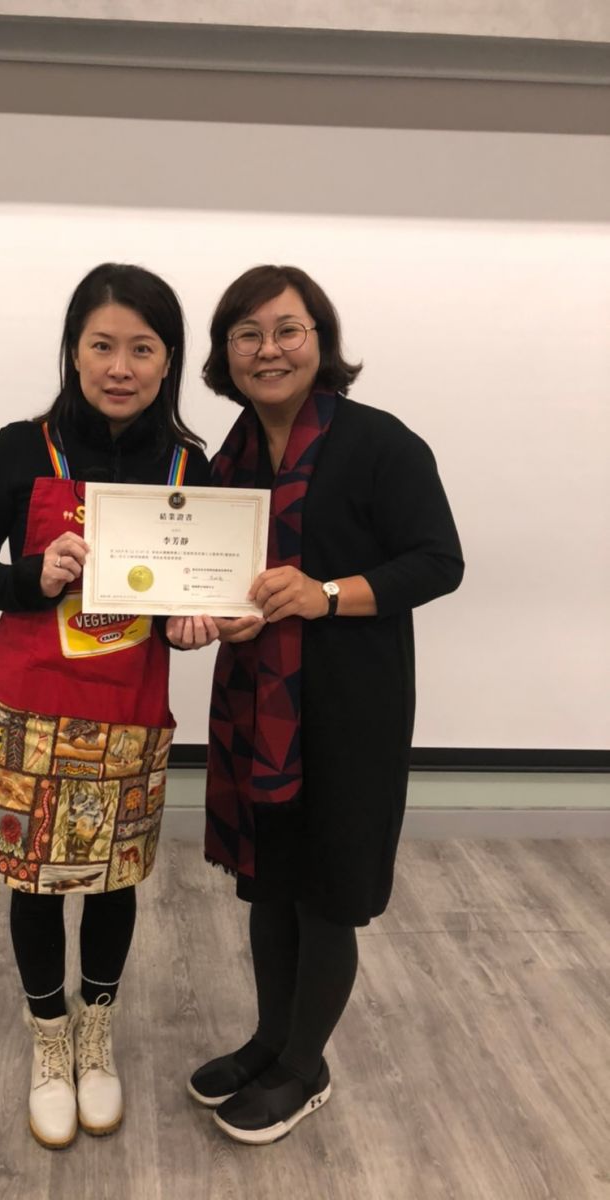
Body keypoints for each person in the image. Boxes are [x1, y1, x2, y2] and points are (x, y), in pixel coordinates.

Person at [185, 264, 464, 1145]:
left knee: (326, 894)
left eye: (287, 330)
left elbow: (438, 561)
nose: (268, 350)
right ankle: (270, 1042)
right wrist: (211, 616)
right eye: (247, 334)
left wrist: (326, 595)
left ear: (321, 340)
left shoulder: (381, 443)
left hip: (349, 709)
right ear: (226, 354)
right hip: (256, 706)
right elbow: (221, 577)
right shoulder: (227, 458)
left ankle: (305, 1069)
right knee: (269, 887)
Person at [0, 263, 212, 1150]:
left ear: (169, 359)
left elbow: (189, 594)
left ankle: (99, 1032)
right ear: (74, 350)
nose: (120, 367)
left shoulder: (189, 465)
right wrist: (31, 576)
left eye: (143, 348)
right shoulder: (22, 449)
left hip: (129, 710)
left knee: (112, 879)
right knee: (35, 881)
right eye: (102, 346)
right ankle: (50, 1038)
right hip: (31, 710)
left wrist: (192, 626)